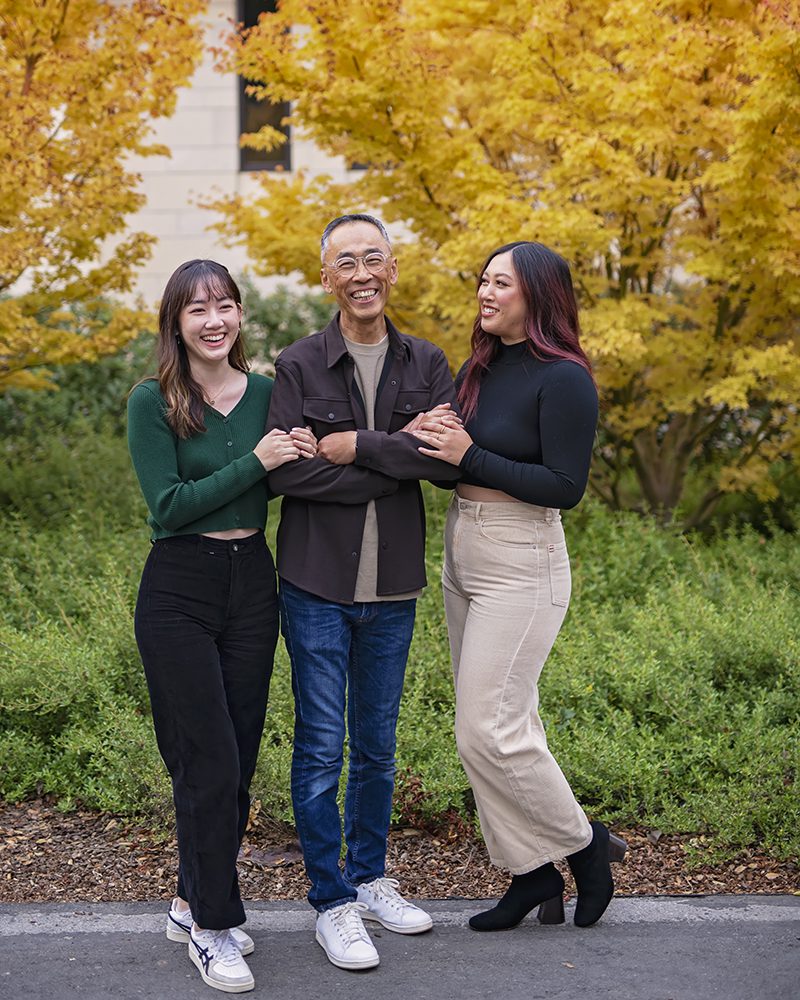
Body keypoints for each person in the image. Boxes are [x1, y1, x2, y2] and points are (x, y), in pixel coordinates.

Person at [265, 213, 460, 970]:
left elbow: (443, 464)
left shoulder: (427, 361)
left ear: (393, 269)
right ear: (326, 278)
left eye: (373, 258)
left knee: (377, 747)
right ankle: (331, 900)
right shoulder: (298, 364)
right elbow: (288, 475)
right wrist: (396, 457)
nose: (361, 274)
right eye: (345, 262)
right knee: (321, 748)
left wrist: (355, 448)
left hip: (393, 587)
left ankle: (371, 877)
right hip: (314, 584)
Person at [414, 241, 627, 932]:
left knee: (488, 729)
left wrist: (469, 453)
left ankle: (587, 846)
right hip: (463, 549)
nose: (485, 291)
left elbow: (564, 486)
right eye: (482, 280)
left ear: (537, 293)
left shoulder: (564, 378)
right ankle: (531, 874)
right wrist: (429, 439)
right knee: (502, 724)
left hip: (522, 557)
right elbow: (453, 471)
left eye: (500, 282)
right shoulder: (478, 367)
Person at [127, 259, 316, 993]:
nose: (214, 321)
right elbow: (169, 506)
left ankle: (188, 900)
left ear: (239, 314)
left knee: (234, 761)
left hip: (252, 585)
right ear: (176, 322)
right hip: (179, 586)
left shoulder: (268, 393)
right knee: (203, 758)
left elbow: (293, 473)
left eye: (225, 306)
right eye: (197, 309)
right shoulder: (154, 400)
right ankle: (212, 926)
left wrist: (305, 454)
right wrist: (259, 462)